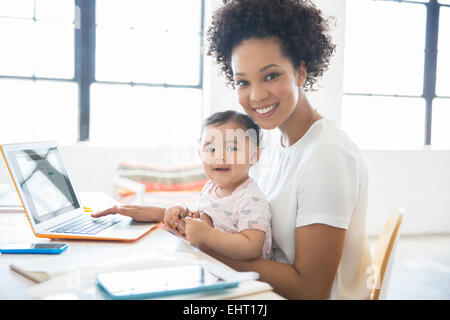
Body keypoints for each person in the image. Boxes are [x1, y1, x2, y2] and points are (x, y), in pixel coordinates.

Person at [93, 0, 373, 299]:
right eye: (243, 81)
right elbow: (236, 213)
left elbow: (310, 290)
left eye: (271, 75)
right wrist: (162, 215)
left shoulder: (325, 156)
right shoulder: (275, 140)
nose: (256, 95)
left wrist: (203, 245)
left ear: (301, 71)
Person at [164, 110, 272, 261]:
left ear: (254, 156)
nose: (220, 156)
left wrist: (208, 235)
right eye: (211, 149)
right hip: (211, 265)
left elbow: (251, 247)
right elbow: (202, 215)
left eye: (231, 148)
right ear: (201, 155)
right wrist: (183, 210)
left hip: (244, 278)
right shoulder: (210, 187)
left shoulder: (250, 198)